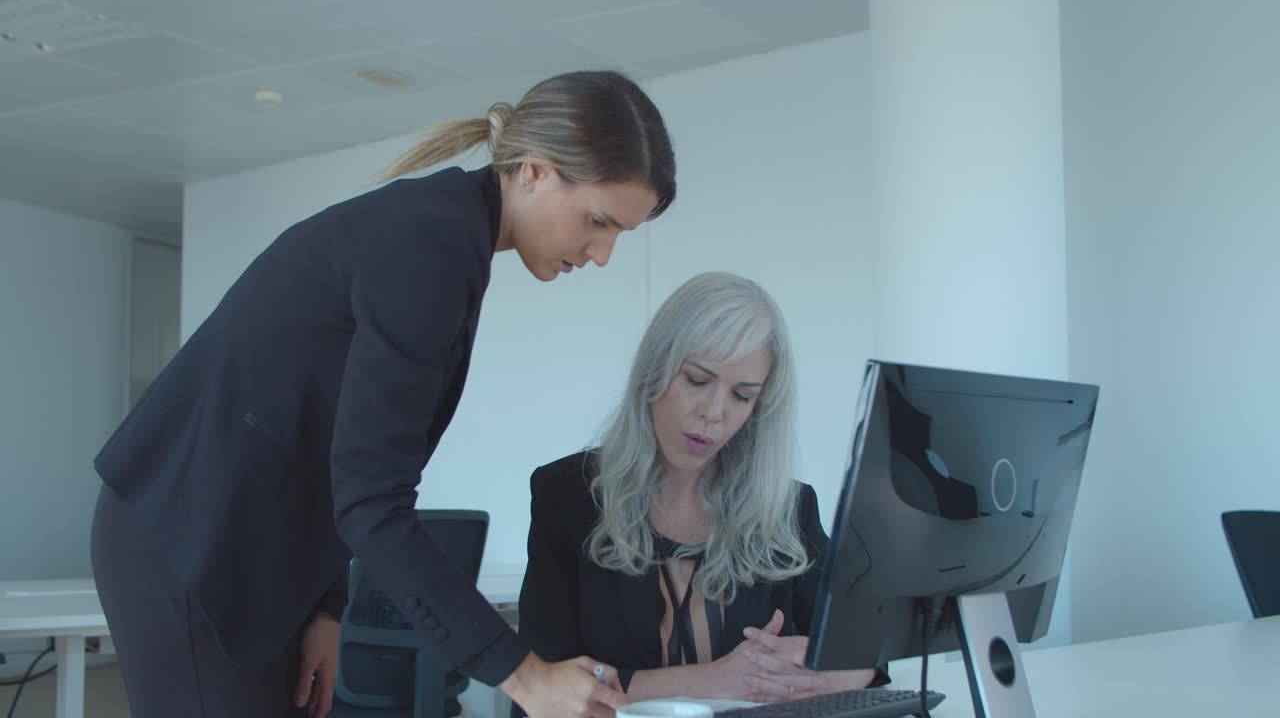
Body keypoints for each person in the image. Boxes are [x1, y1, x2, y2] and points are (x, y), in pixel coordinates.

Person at [89, 69, 674, 718]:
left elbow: (331, 445)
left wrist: (326, 608)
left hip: (254, 547)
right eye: (599, 221)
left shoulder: (448, 233)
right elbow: (372, 499)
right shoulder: (431, 245)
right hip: (190, 538)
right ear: (533, 171)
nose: (602, 254)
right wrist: (523, 675)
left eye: (621, 232)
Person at [514, 272, 888, 715]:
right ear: (655, 370)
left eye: (742, 396)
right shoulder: (566, 494)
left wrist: (821, 670)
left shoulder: (788, 508)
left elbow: (867, 658)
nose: (714, 413)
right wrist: (714, 680)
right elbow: (545, 684)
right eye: (697, 380)